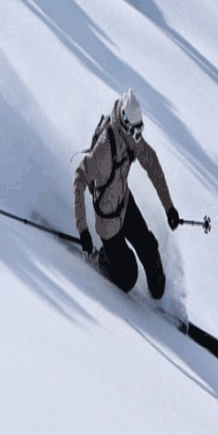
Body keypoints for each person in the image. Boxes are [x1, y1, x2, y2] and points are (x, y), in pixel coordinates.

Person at [73, 89, 181, 300]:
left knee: (151, 257)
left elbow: (152, 164)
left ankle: (158, 299)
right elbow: (79, 178)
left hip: (125, 203)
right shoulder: (104, 148)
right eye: (135, 131)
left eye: (140, 131)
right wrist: (83, 230)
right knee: (128, 277)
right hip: (108, 221)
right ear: (124, 122)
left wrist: (169, 207)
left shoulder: (132, 136)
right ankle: (102, 258)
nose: (138, 138)